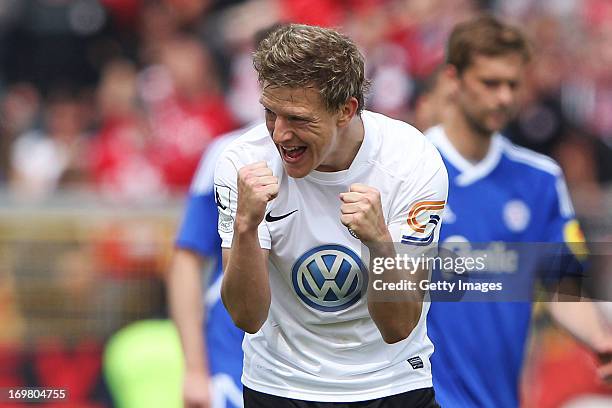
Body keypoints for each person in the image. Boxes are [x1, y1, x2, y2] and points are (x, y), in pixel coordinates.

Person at [214, 24, 448, 407]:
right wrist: (245, 226)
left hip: (391, 385)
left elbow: (399, 326)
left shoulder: (412, 162)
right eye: (271, 113)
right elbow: (246, 316)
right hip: (279, 386)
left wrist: (379, 243)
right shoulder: (243, 163)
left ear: (346, 110)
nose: (280, 134)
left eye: (299, 119)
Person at [423, 15, 612, 407]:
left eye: (513, 84)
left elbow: (562, 290)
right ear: (454, 80)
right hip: (421, 397)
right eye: (490, 83)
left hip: (498, 396)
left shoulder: (539, 179)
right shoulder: (410, 167)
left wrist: (601, 340)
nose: (504, 97)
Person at [168, 128, 245, 408]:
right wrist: (195, 370)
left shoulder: (387, 154)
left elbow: (389, 258)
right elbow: (187, 256)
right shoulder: (231, 153)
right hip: (233, 364)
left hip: (347, 370)